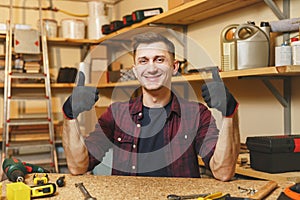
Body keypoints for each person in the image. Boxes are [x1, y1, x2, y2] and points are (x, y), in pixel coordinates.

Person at [62, 32, 240, 181]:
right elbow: (78, 166)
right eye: (143, 61)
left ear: (174, 66)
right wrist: (70, 115)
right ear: (135, 70)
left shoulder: (196, 114)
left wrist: (230, 114)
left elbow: (223, 172)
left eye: (159, 59)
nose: (151, 68)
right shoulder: (117, 113)